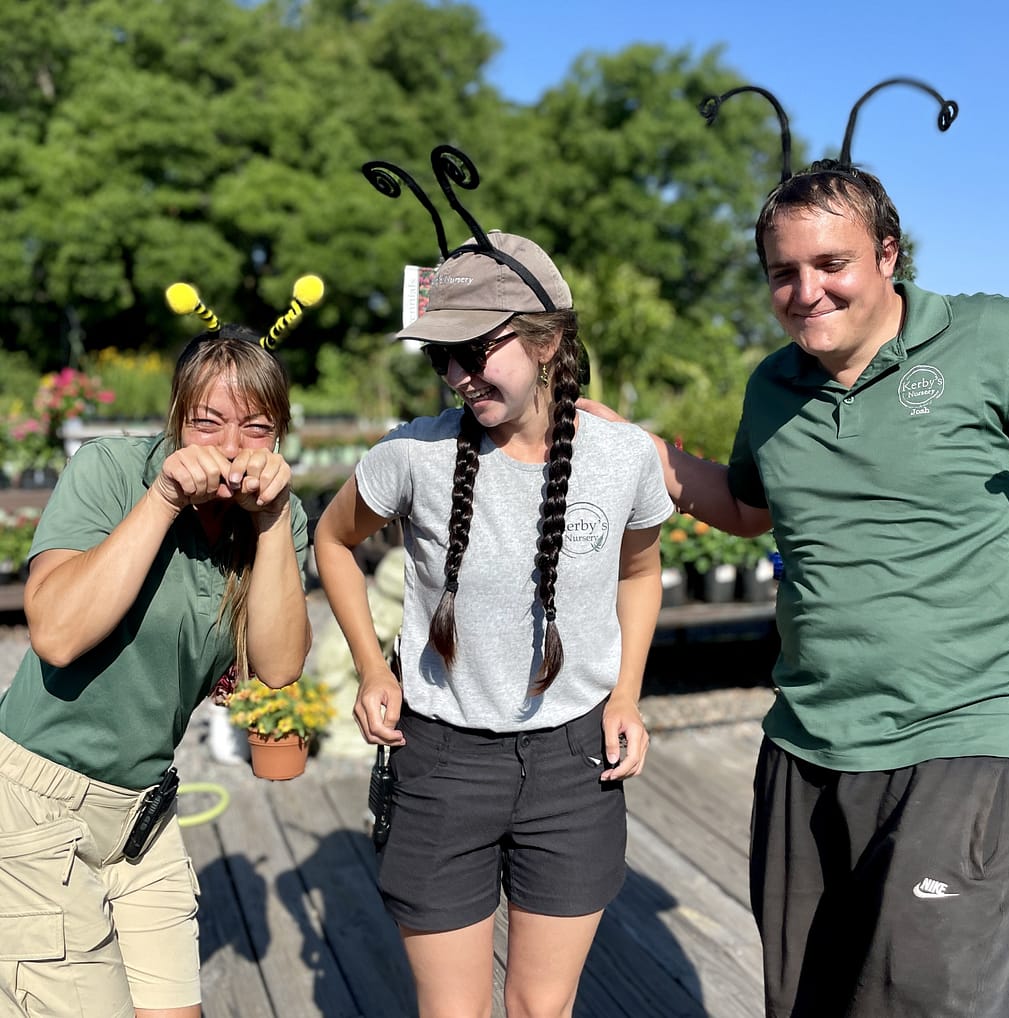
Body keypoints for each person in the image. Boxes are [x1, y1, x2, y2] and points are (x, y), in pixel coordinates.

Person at [586, 146, 1009, 1016]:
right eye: (783, 273)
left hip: (968, 730)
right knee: (809, 995)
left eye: (833, 264)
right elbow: (751, 509)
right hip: (806, 742)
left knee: (933, 994)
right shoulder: (772, 387)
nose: (807, 291)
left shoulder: (992, 339)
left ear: (888, 256)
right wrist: (640, 447)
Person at [314, 226, 673, 1018]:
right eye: (442, 357)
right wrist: (376, 669)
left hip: (576, 765)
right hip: (440, 762)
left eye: (475, 349)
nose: (457, 375)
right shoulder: (412, 455)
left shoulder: (624, 458)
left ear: (546, 342)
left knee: (542, 1007)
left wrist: (626, 697)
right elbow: (331, 541)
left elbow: (640, 573)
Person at [0, 288, 314, 1018]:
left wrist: (269, 522)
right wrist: (165, 497)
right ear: (176, 420)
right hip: (35, 807)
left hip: (142, 817)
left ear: (280, 435)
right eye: (207, 423)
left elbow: (277, 667)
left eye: (256, 428)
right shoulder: (113, 473)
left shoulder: (275, 519)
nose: (231, 447)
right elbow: (56, 633)